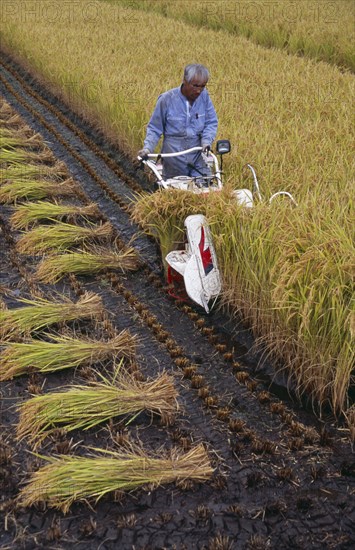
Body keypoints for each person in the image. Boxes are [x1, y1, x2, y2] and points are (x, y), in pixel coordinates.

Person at [138, 63, 218, 180]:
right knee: (176, 189)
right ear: (185, 81)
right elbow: (155, 128)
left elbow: (211, 122)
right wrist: (147, 148)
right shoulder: (167, 99)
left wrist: (206, 142)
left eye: (202, 86)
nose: (199, 91)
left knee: (206, 185)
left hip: (197, 153)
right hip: (174, 156)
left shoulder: (204, 97)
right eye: (195, 86)